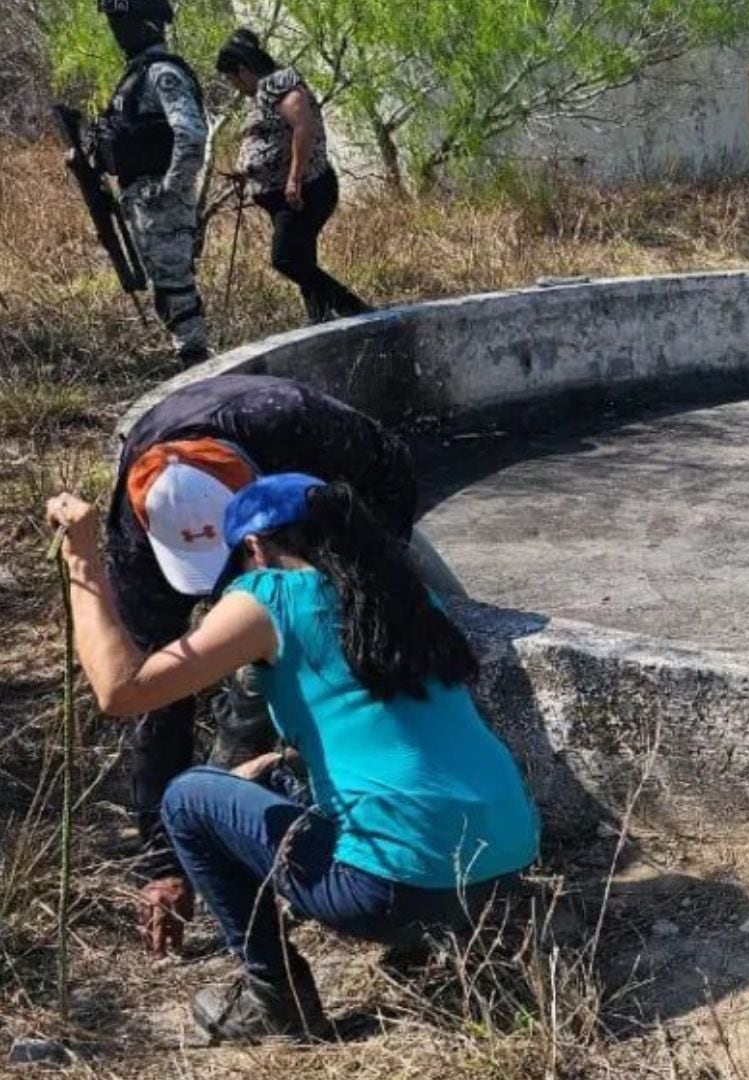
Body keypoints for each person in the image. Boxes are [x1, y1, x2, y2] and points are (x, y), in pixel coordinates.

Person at [46, 475, 539, 1044]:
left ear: (255, 549)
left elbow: (121, 691)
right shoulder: (404, 597)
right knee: (273, 777)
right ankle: (444, 935)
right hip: (505, 867)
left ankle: (274, 1000)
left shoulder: (268, 597)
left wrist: (83, 557)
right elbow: (379, 723)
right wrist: (272, 764)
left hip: (393, 893)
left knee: (188, 798)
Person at [105, 375, 425, 958]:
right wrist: (164, 859)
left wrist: (365, 592)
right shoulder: (134, 537)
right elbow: (150, 696)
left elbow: (393, 472)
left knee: (315, 674)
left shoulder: (291, 421)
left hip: (329, 524)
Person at [216, 29, 370, 325]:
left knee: (285, 258)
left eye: (232, 78)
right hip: (285, 194)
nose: (234, 86)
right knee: (303, 261)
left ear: (243, 70)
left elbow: (303, 124)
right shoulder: (264, 92)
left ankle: (353, 309)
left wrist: (294, 180)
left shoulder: (277, 82)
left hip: (304, 191)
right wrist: (247, 171)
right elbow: (274, 139)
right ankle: (321, 322)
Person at [93, 0, 211, 363]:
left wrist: (170, 189)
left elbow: (191, 134)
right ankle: (190, 362)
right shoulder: (136, 75)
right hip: (143, 200)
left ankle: (197, 367)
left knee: (176, 288)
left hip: (159, 199)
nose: (116, 31)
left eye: (121, 21)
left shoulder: (161, 72)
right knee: (166, 287)